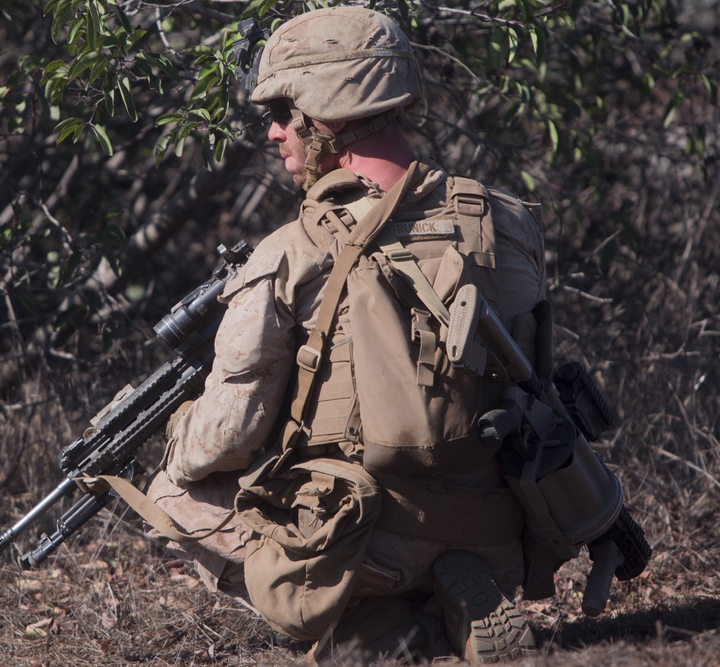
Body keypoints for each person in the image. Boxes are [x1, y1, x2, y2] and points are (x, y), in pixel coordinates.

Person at [145, 6, 546, 663]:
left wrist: (179, 430)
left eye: (283, 110)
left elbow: (227, 432)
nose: (274, 132)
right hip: (498, 533)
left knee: (170, 488)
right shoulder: (506, 220)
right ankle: (453, 598)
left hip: (364, 537)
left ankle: (375, 622)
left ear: (325, 110)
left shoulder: (289, 252)